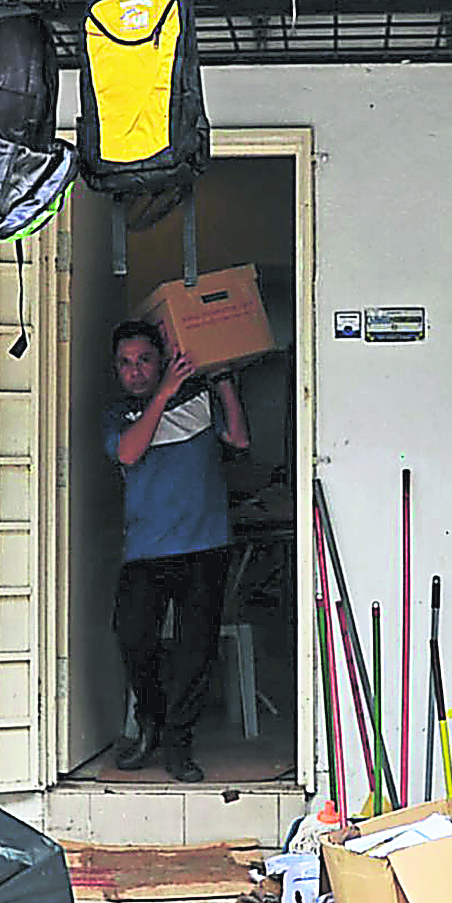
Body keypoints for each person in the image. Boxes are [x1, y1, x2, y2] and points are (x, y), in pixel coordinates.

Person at [104, 317, 249, 780]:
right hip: (145, 549)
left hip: (205, 544)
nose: (136, 371)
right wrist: (163, 394)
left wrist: (222, 377)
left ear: (162, 358)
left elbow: (240, 439)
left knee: (196, 649)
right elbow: (128, 454)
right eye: (126, 364)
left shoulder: (200, 399)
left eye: (145, 360)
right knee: (134, 639)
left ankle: (179, 744)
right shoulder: (118, 415)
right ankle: (149, 726)